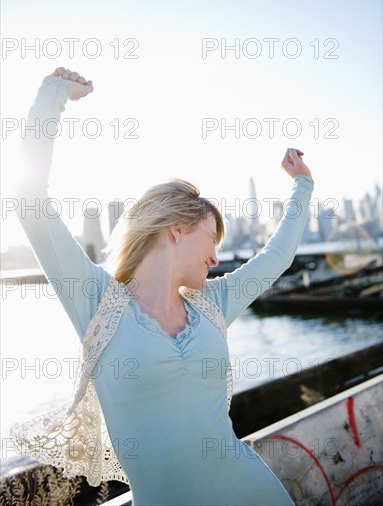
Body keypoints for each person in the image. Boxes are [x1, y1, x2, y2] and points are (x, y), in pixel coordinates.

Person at [11, 67, 314, 506]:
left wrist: (302, 187)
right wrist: (53, 94)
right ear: (176, 229)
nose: (216, 256)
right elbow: (29, 199)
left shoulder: (213, 304)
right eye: (212, 238)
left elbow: (277, 258)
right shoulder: (97, 301)